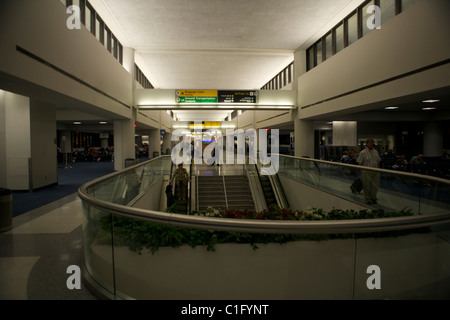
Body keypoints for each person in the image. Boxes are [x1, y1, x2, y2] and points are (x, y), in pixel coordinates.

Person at [357, 138, 381, 205]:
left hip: (376, 171)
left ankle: (373, 198)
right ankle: (367, 199)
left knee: (375, 185)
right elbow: (360, 163)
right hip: (366, 171)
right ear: (366, 144)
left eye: (372, 143)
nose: (371, 144)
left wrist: (378, 169)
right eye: (369, 143)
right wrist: (363, 171)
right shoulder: (363, 152)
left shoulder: (375, 152)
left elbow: (378, 161)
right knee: (366, 186)